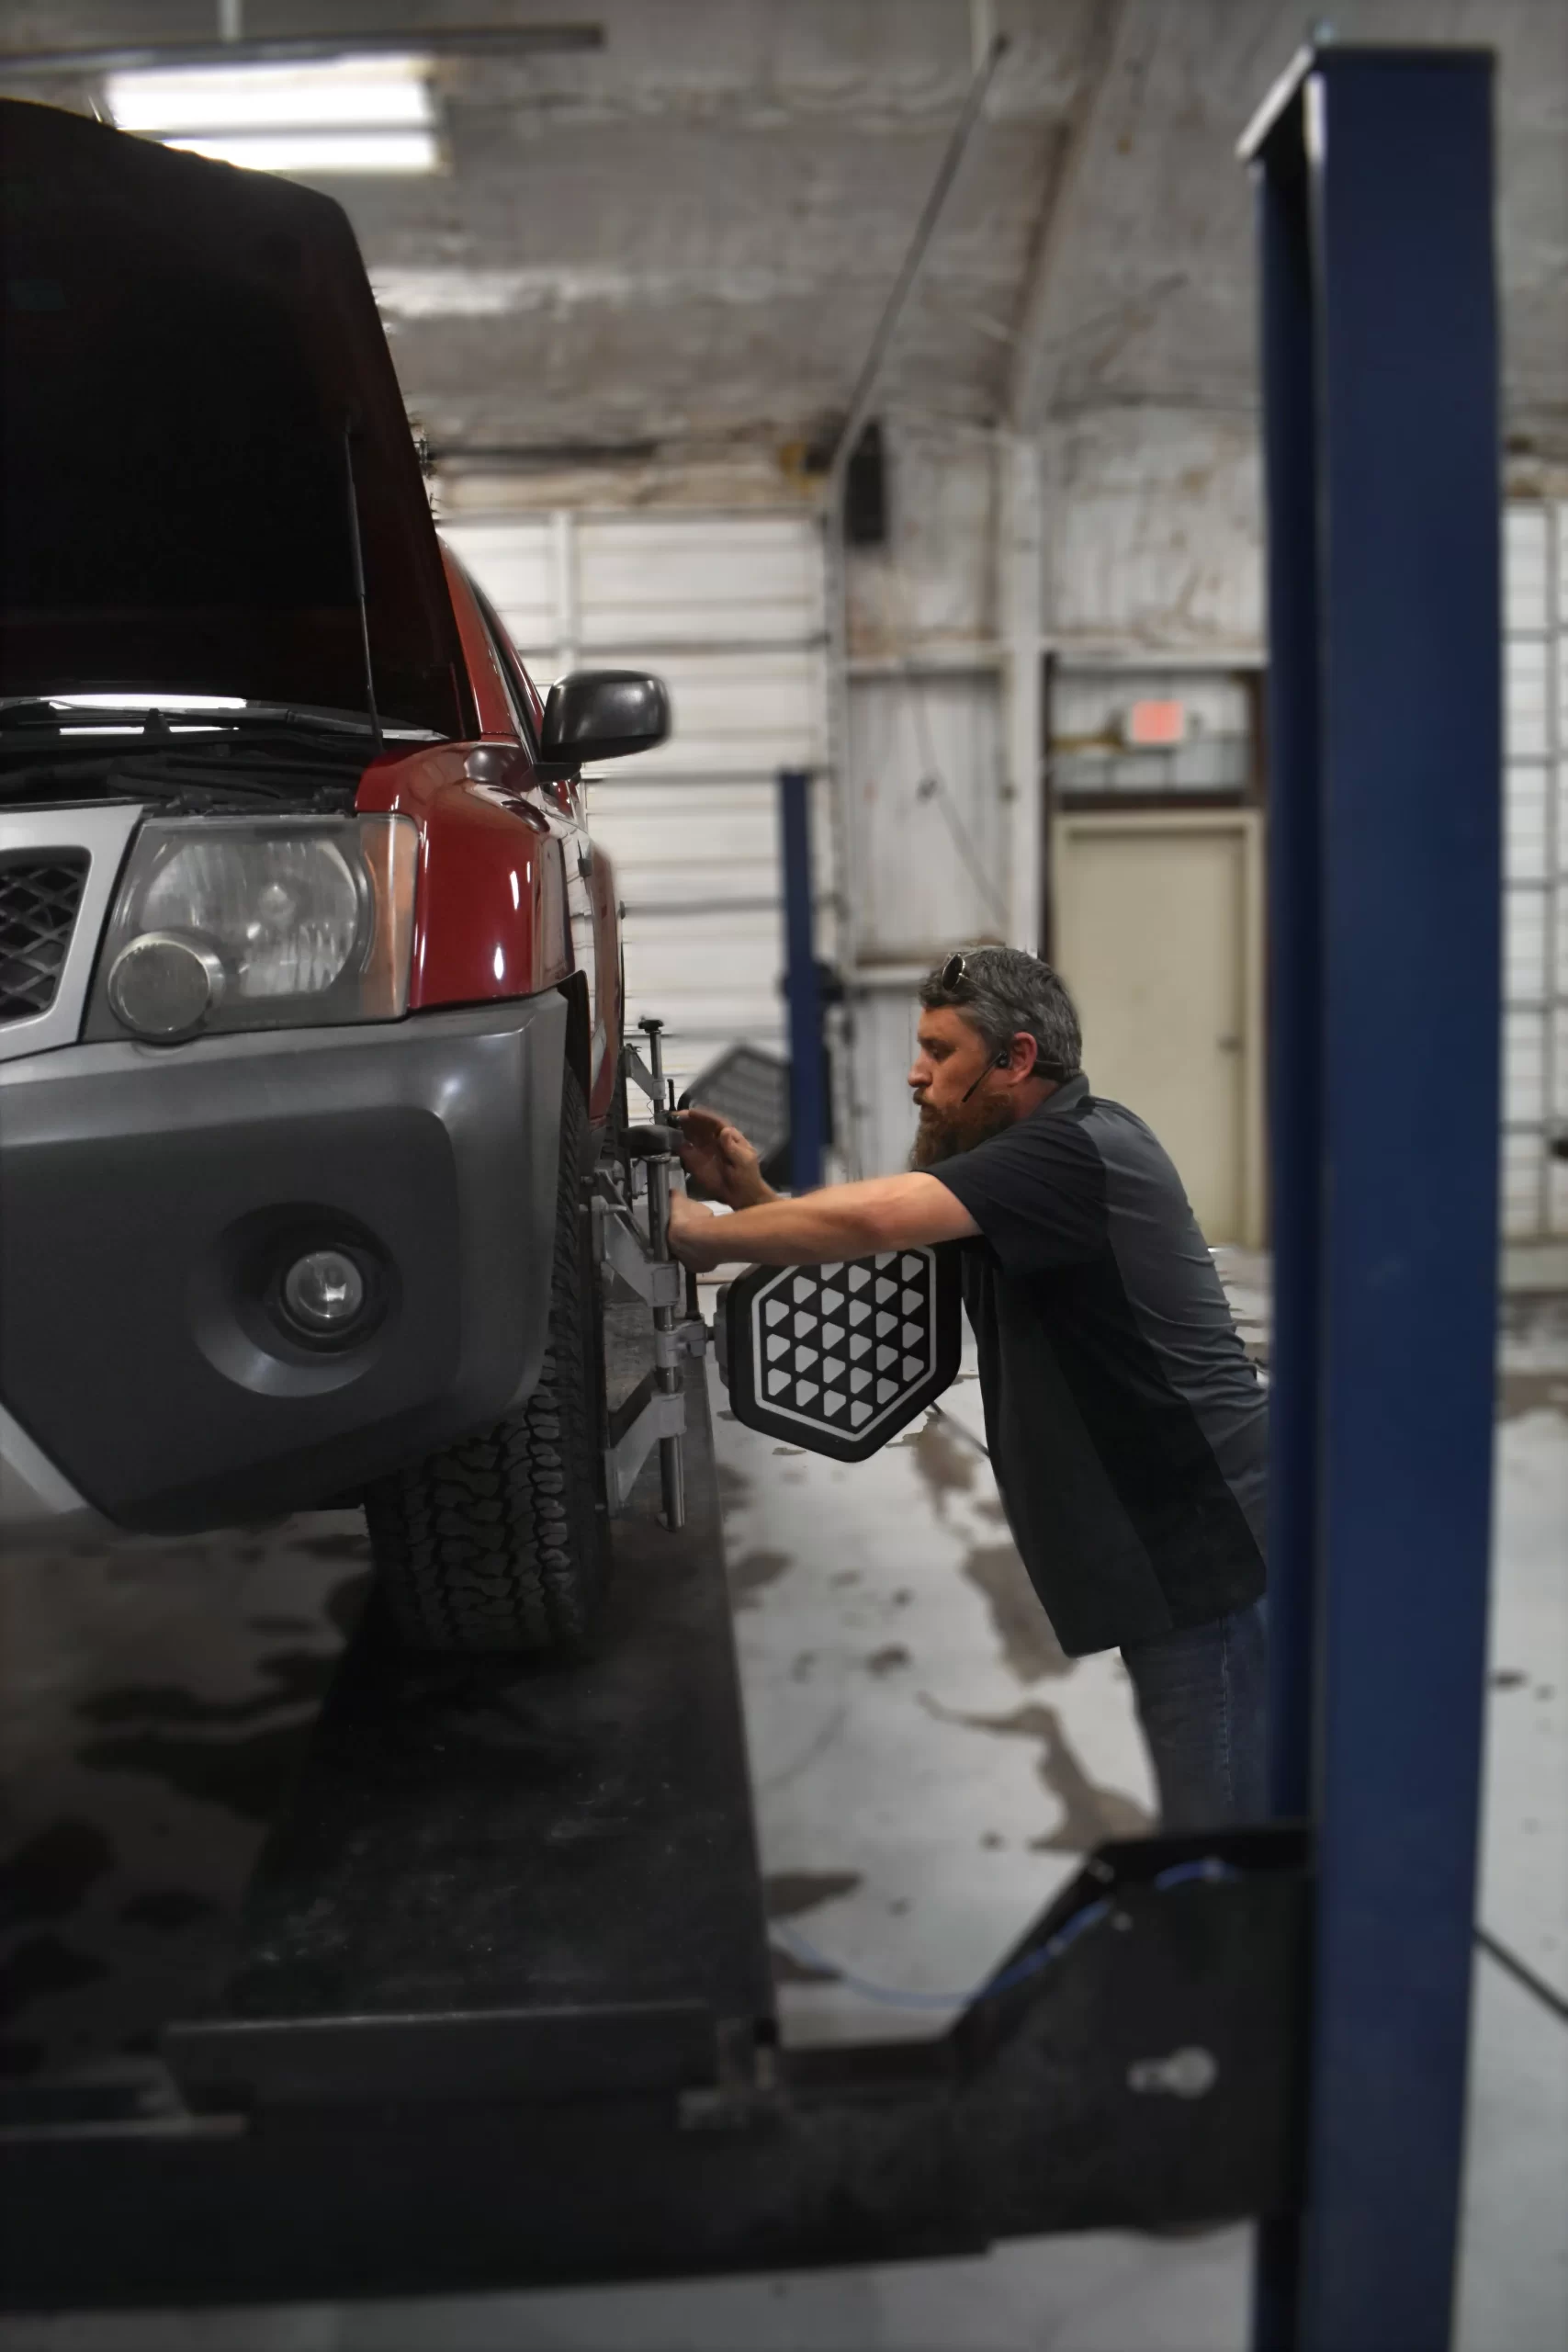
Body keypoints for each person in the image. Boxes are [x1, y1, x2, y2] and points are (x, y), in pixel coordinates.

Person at [669, 945, 1268, 1833]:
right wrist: (749, 1196)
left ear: (1016, 1060)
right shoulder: (1025, 1170)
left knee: (1221, 1833)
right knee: (1209, 1808)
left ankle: (1239, 1964)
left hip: (1211, 1550)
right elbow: (874, 1257)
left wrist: (698, 1234)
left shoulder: (1070, 1152)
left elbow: (875, 1215)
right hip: (1171, 1546)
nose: (916, 1076)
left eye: (939, 1052)